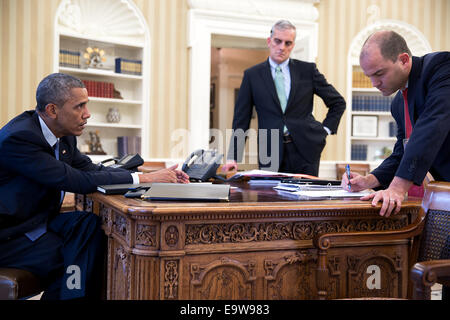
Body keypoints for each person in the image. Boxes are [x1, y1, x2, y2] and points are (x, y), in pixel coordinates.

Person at [0, 73, 189, 299]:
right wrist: (146, 180)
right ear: (52, 110)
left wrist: (144, 174)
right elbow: (75, 179)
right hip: (10, 235)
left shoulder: (63, 135)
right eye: (79, 106)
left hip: (37, 220)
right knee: (78, 259)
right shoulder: (19, 138)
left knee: (88, 224)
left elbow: (90, 169)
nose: (87, 114)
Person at [341, 30, 450, 219]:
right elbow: (402, 151)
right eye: (369, 76)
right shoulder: (398, 103)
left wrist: (397, 188)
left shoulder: (441, 67)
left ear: (404, 60)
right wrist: (369, 180)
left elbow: (432, 125)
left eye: (379, 73)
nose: (374, 83)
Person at [222, 20, 346, 176]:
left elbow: (338, 102)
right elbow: (241, 118)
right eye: (278, 41)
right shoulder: (252, 75)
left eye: (288, 43)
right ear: (269, 41)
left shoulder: (307, 70)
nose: (282, 47)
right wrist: (233, 156)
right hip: (270, 151)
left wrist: (324, 130)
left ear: (293, 45)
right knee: (269, 199)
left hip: (306, 148)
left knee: (305, 198)